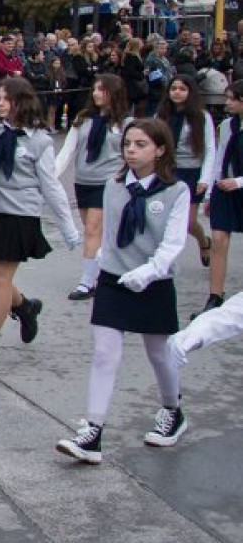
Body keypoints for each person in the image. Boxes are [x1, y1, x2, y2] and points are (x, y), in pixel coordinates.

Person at [56, 119, 191, 465]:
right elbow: (109, 231)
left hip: (154, 282)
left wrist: (147, 272)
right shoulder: (113, 185)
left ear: (160, 150)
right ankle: (93, 431)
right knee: (104, 354)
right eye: (128, 143)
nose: (131, 150)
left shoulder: (176, 192)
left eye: (141, 144)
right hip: (115, 279)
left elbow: (172, 244)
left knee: (160, 353)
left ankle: (173, 410)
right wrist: (102, 263)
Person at [0, 18, 80, 372]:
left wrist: (68, 227)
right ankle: (24, 307)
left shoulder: (38, 140)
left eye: (6, 100)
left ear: (22, 102)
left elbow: (50, 185)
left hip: (19, 215)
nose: (0, 103)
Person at [56, 74, 133, 302]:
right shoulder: (83, 119)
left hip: (108, 183)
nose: (96, 94)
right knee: (97, 232)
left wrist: (125, 177)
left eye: (102, 90)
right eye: (95, 89)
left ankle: (87, 282)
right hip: (83, 182)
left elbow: (130, 156)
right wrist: (49, 177)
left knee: (92, 229)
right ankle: (103, 271)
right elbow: (67, 151)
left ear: (114, 93)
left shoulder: (125, 124)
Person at [157, 74, 215, 278]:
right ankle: (166, 260)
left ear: (190, 92)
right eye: (173, 88)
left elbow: (209, 149)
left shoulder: (201, 116)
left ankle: (204, 241)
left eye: (182, 89)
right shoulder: (162, 114)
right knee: (164, 220)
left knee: (189, 222)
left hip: (192, 172)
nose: (177, 92)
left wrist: (205, 178)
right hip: (168, 171)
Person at [197, 79, 243, 316]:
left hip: (238, 185)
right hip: (225, 188)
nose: (227, 103)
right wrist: (210, 194)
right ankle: (215, 296)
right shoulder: (227, 126)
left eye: (231, 98)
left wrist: (238, 182)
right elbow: (220, 157)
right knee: (218, 239)